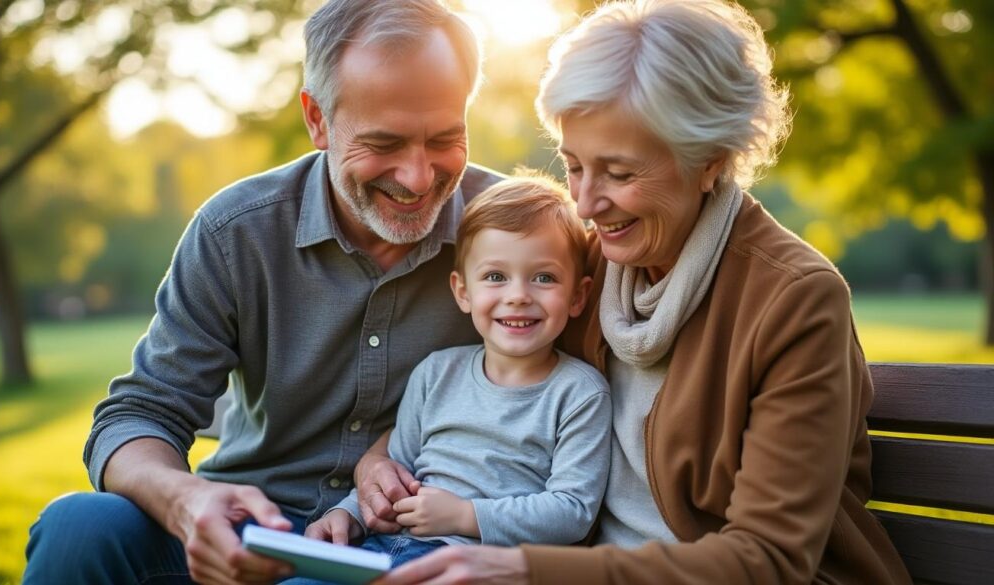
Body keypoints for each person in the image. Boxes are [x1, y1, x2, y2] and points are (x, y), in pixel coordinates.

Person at [363, 1, 915, 583]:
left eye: (620, 173)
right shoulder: (582, 266)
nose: (585, 204)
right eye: (574, 166)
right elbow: (478, 392)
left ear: (710, 161)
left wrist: (526, 568)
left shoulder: (794, 301)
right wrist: (378, 463)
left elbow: (768, 560)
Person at [22, 1, 504, 583]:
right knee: (77, 527)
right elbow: (140, 413)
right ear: (317, 118)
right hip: (247, 527)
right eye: (384, 143)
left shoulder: (517, 236)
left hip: (406, 547)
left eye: (445, 138)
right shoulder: (236, 232)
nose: (418, 176)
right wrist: (186, 501)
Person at [296, 177, 610, 578]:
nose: (518, 295)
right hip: (384, 546)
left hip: (475, 567)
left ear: (578, 296)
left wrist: (465, 515)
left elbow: (572, 511)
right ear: (463, 291)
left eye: (544, 277)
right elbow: (396, 468)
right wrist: (348, 514)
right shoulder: (436, 373)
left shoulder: (579, 393)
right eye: (495, 276)